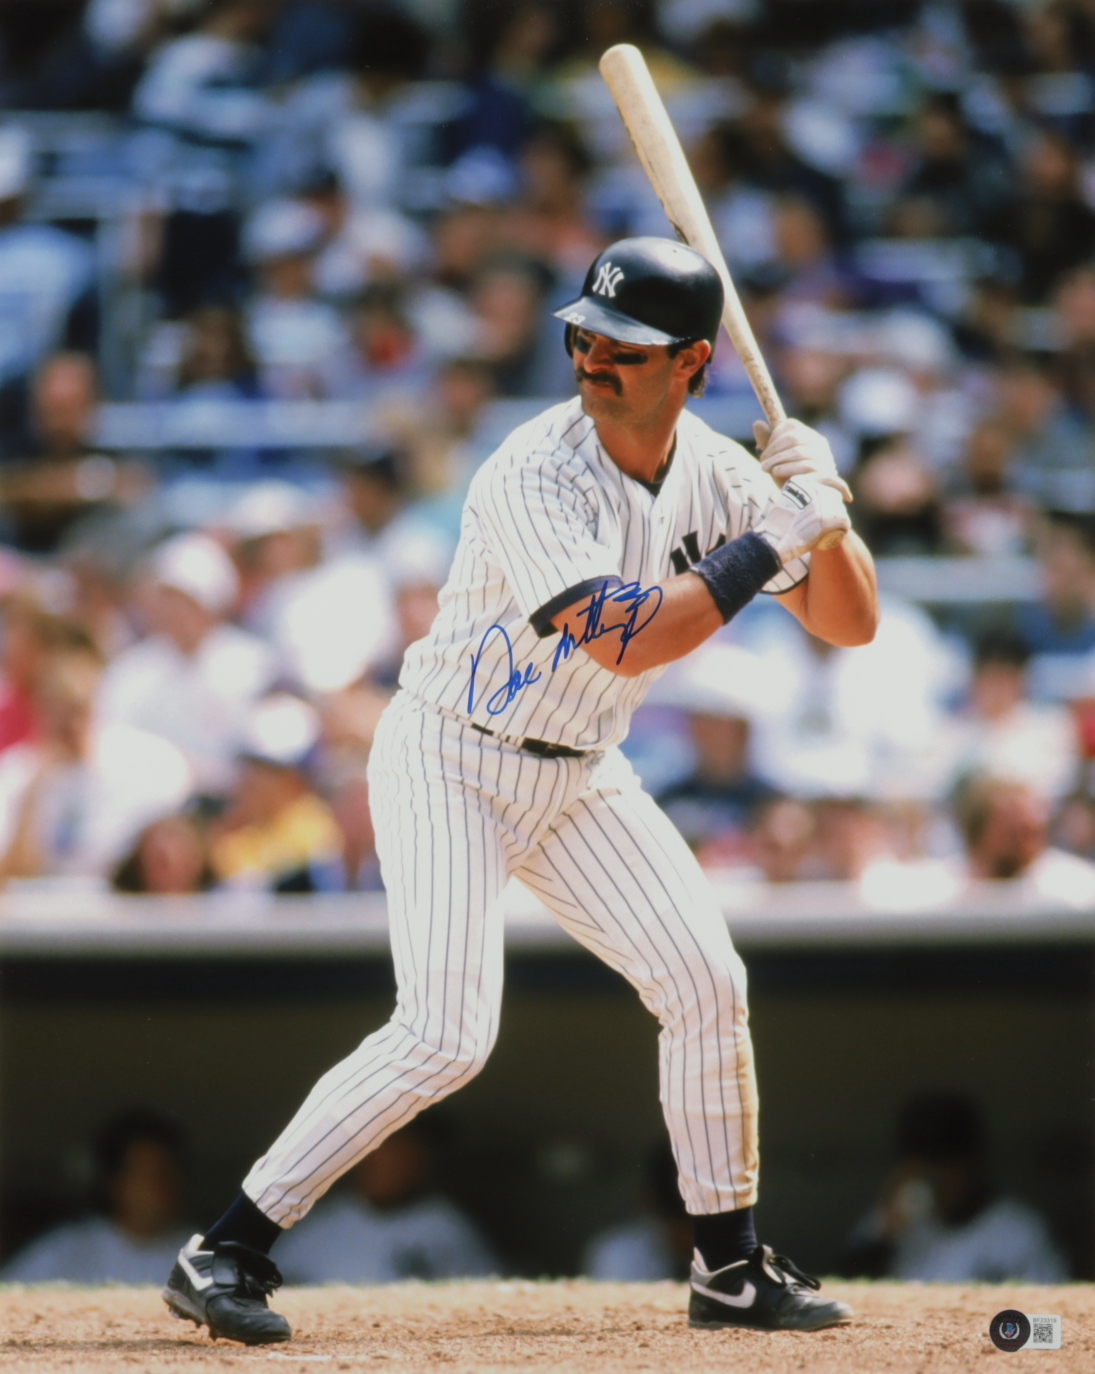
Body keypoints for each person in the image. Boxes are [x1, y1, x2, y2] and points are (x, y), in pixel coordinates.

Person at [162, 236, 877, 1344]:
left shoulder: (723, 478)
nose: (594, 358)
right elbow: (627, 640)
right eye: (585, 337)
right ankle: (227, 1246)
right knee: (445, 1033)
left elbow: (850, 620)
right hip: (453, 754)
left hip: (582, 771)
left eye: (626, 348)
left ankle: (730, 1267)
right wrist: (776, 533)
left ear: (691, 364)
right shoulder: (532, 468)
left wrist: (825, 509)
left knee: (705, 982)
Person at [841, 1093, 1068, 1283]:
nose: (933, 1178)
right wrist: (883, 1232)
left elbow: (1049, 1317)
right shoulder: (892, 1220)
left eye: (942, 1165)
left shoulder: (1019, 1230)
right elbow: (845, 1290)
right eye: (920, 1167)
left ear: (972, 1162)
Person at [275, 1118, 497, 1284]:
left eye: (401, 1154)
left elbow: (486, 1289)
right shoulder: (321, 1225)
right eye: (381, 1154)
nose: (388, 1166)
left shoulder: (445, 1225)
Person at [1, 1108, 191, 1284]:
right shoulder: (68, 1247)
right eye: (143, 1173)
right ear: (114, 1182)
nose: (156, 1184)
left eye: (164, 1172)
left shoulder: (194, 1250)